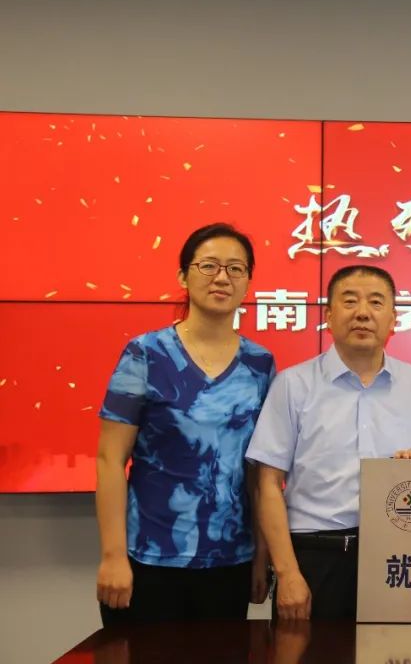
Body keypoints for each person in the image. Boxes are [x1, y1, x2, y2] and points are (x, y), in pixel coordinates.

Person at [95, 222, 275, 624]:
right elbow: (110, 460)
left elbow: (257, 472)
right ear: (183, 276)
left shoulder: (260, 364)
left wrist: (261, 555)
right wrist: (113, 555)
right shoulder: (146, 353)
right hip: (149, 559)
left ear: (248, 282)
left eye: (235, 268)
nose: (222, 278)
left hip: (230, 561)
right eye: (208, 265)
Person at [246, 265, 411, 620]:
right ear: (329, 316)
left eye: (376, 302)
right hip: (313, 557)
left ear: (394, 318)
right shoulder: (294, 384)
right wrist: (287, 573)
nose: (362, 312)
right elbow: (268, 484)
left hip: (396, 556)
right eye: (350, 301)